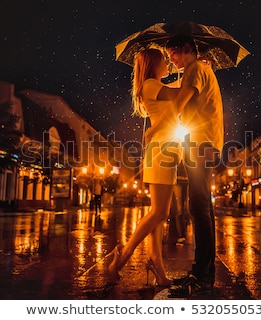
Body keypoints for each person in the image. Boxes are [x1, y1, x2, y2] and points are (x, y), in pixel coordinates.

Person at [108, 48, 180, 287]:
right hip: (161, 151)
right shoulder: (150, 84)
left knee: (159, 213)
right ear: (153, 64)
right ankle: (122, 257)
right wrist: (192, 71)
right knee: (160, 212)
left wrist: (188, 70)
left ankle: (156, 264)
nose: (168, 63)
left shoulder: (155, 85)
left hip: (166, 150)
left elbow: (175, 91)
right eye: (164, 60)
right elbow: (180, 95)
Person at [165, 35, 224, 297]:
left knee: (199, 207)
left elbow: (180, 102)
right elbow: (184, 96)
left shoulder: (196, 69)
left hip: (200, 142)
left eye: (173, 54)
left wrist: (160, 117)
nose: (171, 60)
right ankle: (203, 272)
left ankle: (202, 276)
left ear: (187, 49)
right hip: (202, 141)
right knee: (201, 208)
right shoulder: (200, 69)